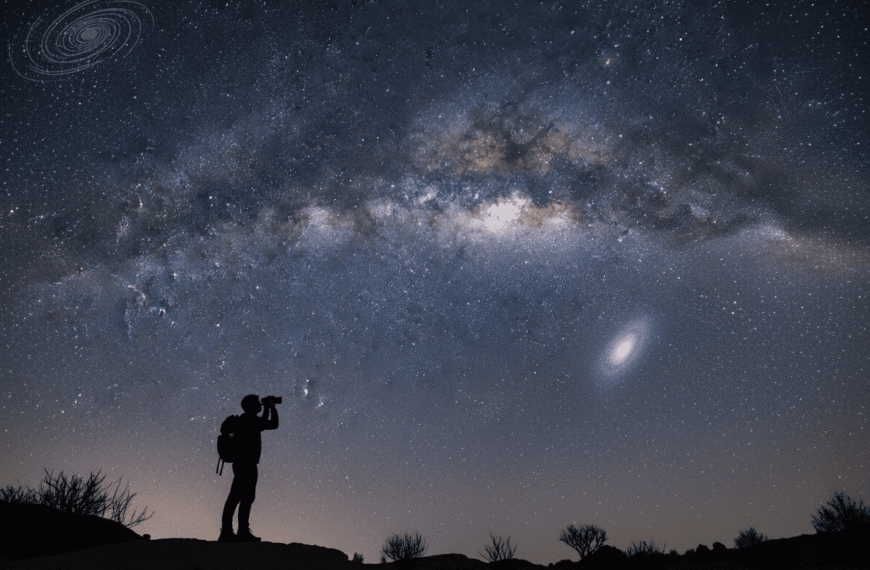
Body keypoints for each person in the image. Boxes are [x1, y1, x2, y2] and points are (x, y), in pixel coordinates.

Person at [219, 394, 279, 542]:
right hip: (247, 464)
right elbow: (273, 424)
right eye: (258, 403)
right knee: (242, 498)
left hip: (241, 464)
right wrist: (271, 408)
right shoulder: (251, 420)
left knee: (238, 497)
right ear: (252, 406)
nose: (260, 405)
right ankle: (238, 532)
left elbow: (263, 423)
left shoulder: (246, 420)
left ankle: (231, 531)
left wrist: (267, 408)